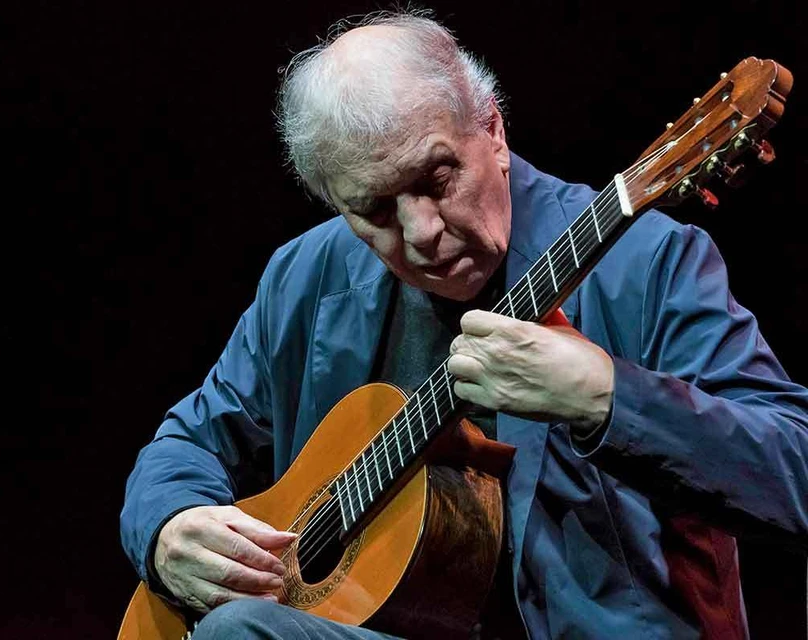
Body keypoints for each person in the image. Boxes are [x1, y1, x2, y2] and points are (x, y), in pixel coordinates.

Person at [120, 10, 808, 639]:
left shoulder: (648, 261)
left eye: (437, 178)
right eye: (375, 210)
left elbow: (794, 469)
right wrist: (167, 527)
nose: (422, 231)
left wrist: (606, 397)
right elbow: (189, 441)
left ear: (493, 132)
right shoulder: (306, 278)